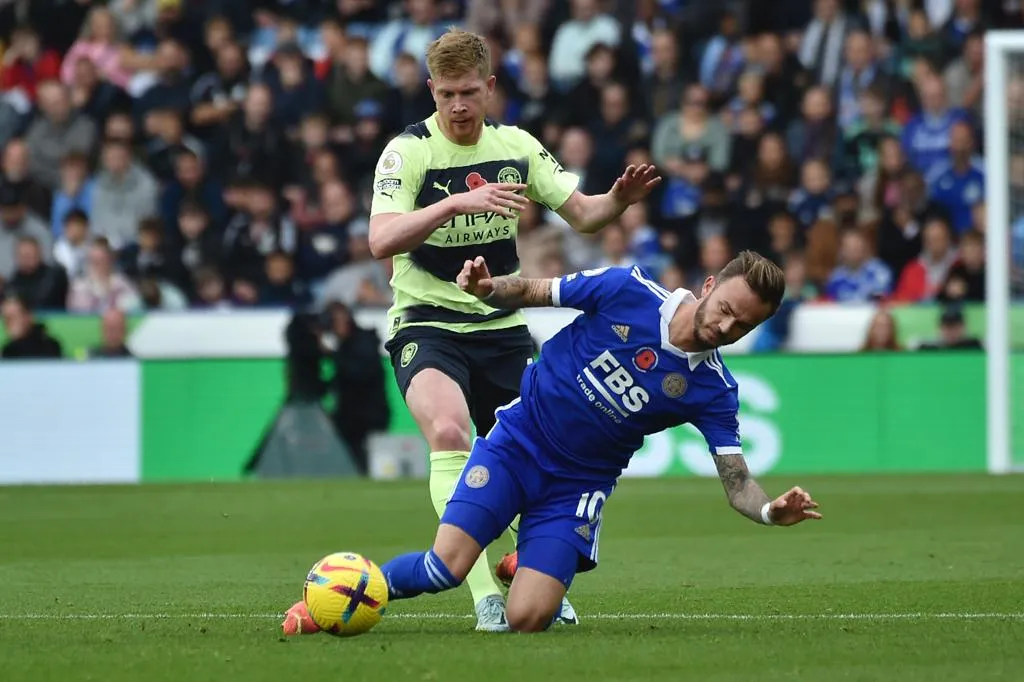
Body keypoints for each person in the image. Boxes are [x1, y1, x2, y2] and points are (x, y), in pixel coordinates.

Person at [283, 250, 821, 636]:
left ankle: (530, 560)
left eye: (742, 325)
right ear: (708, 286)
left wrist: (769, 512)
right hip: (517, 444)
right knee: (442, 570)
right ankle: (329, 599)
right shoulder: (627, 290)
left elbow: (737, 482)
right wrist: (487, 289)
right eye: (726, 308)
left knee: (527, 619)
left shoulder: (714, 390)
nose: (726, 326)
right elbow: (535, 291)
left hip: (578, 486)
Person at [354, 28, 660, 631]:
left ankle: (537, 572)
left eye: (468, 92)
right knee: (449, 431)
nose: (458, 106)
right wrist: (453, 204)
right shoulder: (407, 152)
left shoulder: (517, 146)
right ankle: (482, 596)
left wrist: (618, 200)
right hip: (427, 322)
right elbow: (380, 240)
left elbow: (585, 215)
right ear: (431, 91)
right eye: (446, 94)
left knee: (539, 454)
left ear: (489, 87)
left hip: (501, 324)